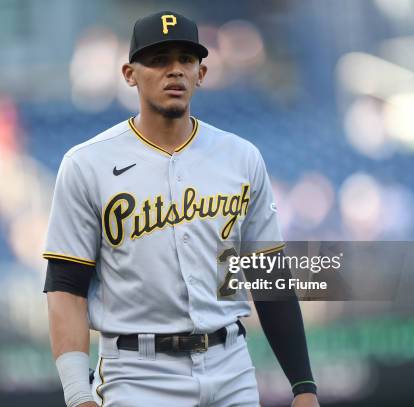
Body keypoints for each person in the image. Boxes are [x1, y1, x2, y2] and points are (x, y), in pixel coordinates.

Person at [44, 10, 320, 407]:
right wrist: (77, 395)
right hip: (138, 374)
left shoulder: (241, 157)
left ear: (201, 73)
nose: (174, 71)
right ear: (129, 73)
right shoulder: (87, 163)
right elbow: (66, 286)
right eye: (158, 60)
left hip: (231, 365)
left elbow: (268, 275)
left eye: (185, 60)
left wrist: (303, 385)